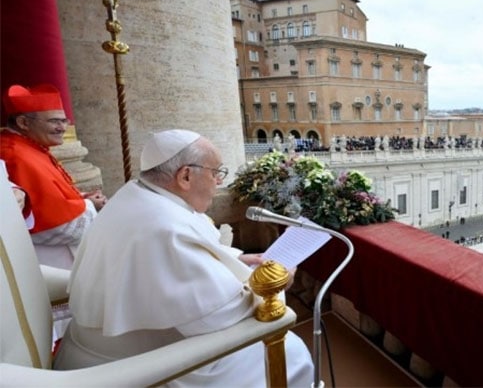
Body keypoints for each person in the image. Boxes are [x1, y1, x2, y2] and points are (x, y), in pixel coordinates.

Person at [54, 129, 313, 387]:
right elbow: (222, 317)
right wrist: (277, 280)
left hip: (95, 347)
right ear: (186, 176)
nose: (219, 182)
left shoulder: (136, 195)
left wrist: (237, 261)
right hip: (132, 364)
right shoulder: (164, 226)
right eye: (216, 173)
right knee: (293, 353)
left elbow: (182, 261)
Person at [1, 84, 106, 268]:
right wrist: (91, 206)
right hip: (48, 262)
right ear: (23, 123)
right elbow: (56, 226)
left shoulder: (29, 145)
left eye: (64, 121)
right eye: (55, 121)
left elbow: (49, 197)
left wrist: (81, 198)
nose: (63, 128)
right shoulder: (15, 155)